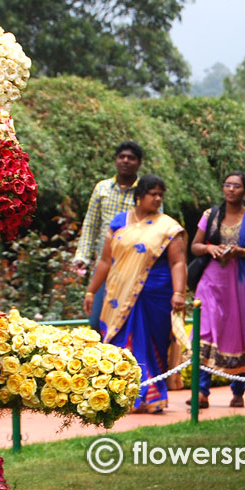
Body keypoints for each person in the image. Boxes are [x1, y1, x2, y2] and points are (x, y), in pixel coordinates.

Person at [82, 175, 187, 413]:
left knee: (152, 343)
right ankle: (123, 396)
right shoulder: (119, 222)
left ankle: (151, 398)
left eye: (161, 194)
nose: (158, 198)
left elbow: (178, 262)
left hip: (155, 293)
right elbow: (106, 261)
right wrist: (91, 291)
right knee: (121, 342)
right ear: (139, 196)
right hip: (118, 294)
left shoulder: (168, 227)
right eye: (153, 194)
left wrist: (179, 292)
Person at [188, 171, 245, 409]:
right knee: (205, 331)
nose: (231, 189)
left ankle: (238, 391)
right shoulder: (210, 215)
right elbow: (194, 246)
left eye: (236, 186)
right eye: (227, 185)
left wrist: (240, 251)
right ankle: (201, 391)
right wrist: (209, 248)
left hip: (242, 284)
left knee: (240, 332)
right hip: (212, 282)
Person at [74, 141, 144, 330]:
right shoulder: (102, 188)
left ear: (139, 163)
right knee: (96, 319)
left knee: (128, 319)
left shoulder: (146, 191)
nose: (126, 161)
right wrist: (82, 256)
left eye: (131, 158)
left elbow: (157, 228)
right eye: (122, 157)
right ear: (115, 160)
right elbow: (91, 224)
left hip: (134, 265)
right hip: (104, 263)